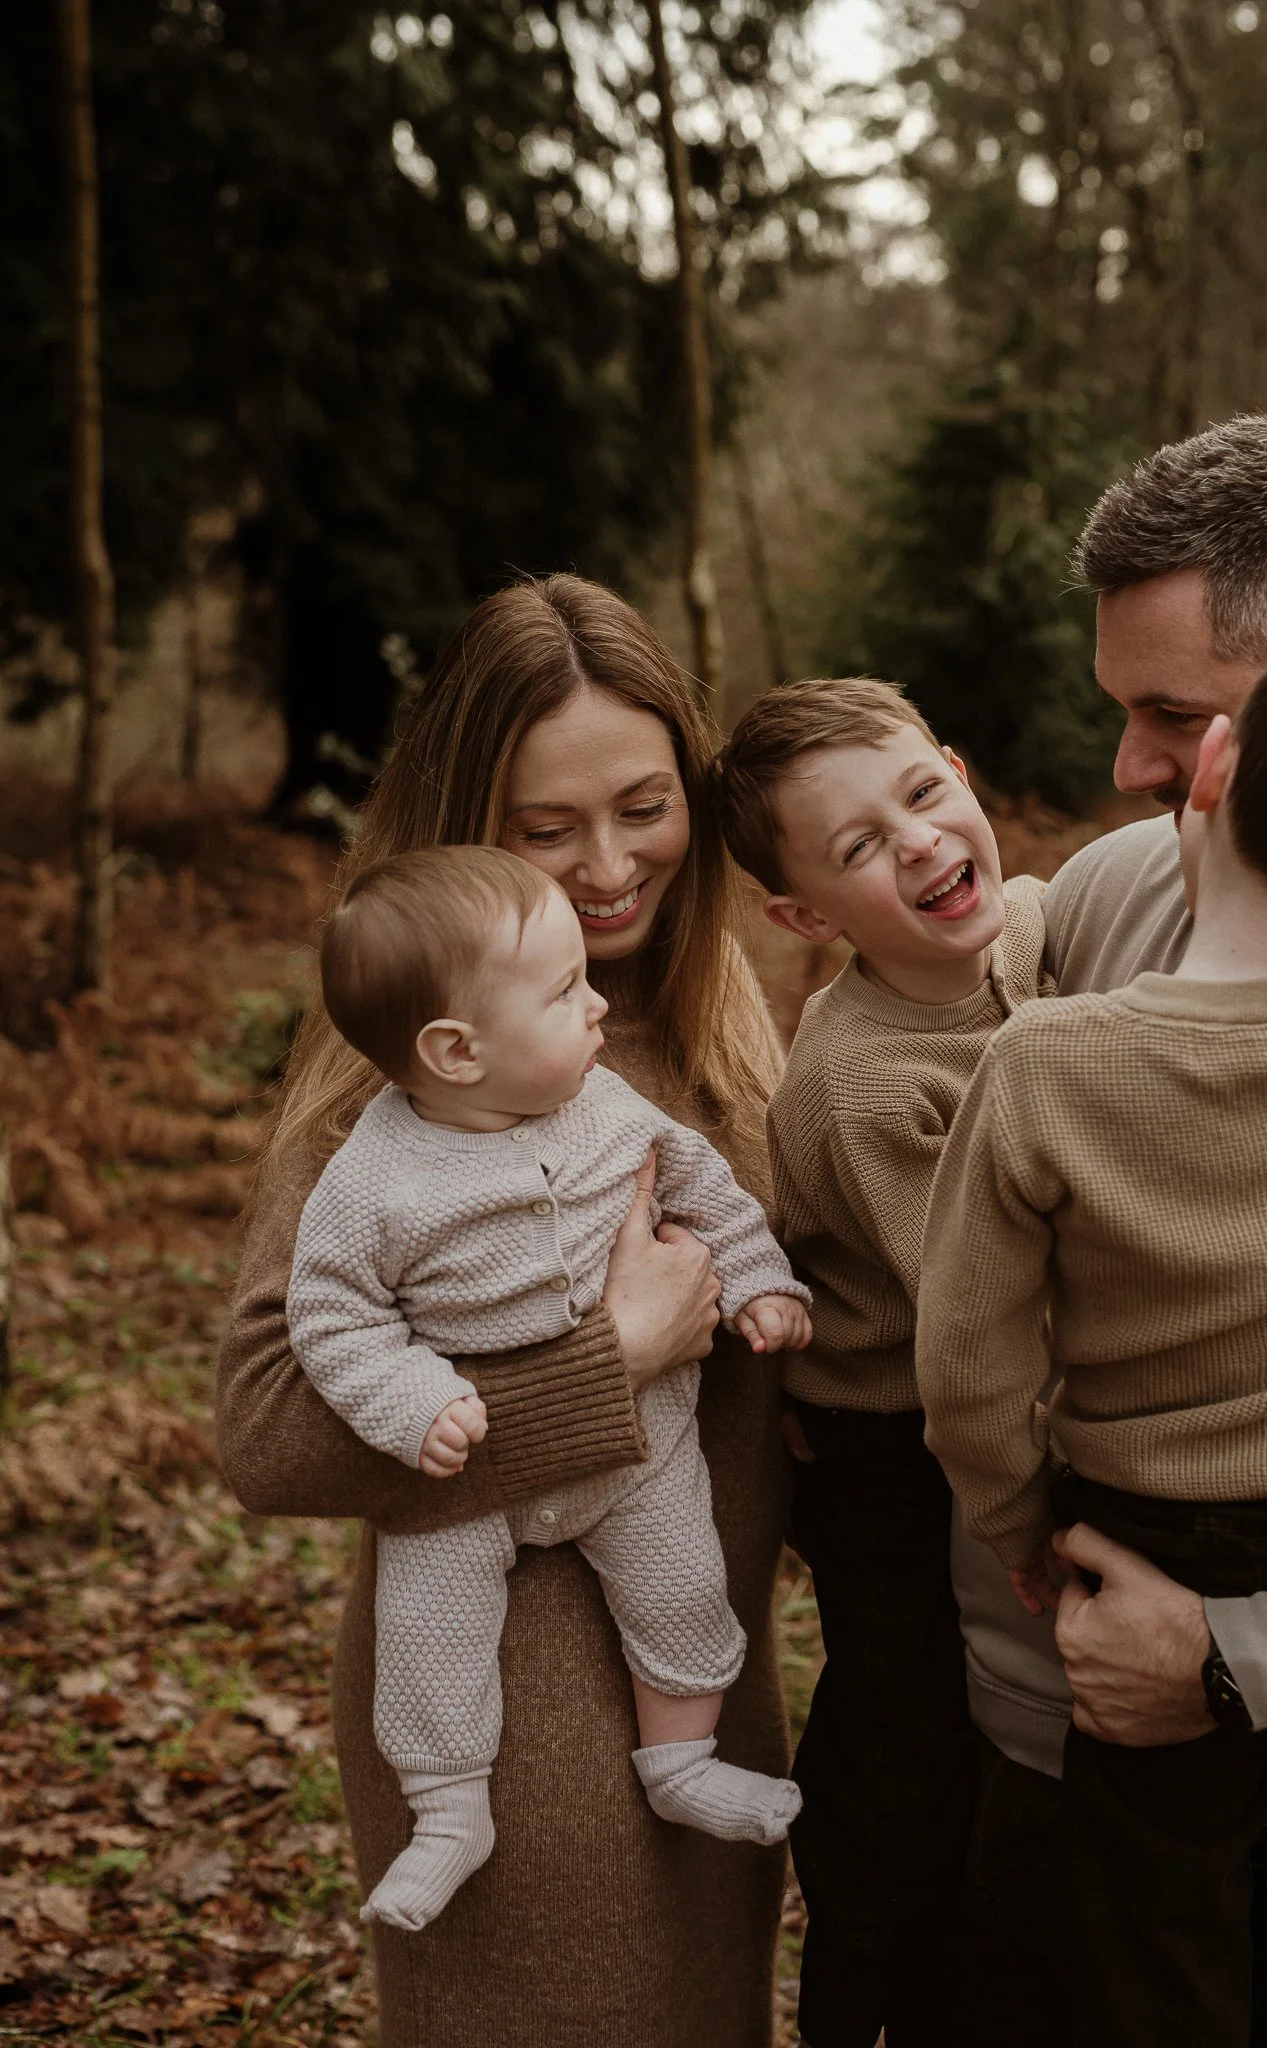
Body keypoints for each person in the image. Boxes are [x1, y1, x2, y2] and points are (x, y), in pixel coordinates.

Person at [216, 575, 794, 2048]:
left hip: (702, 1667)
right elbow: (270, 1436)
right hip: (508, 1717)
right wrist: (609, 1362)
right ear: (470, 819)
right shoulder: (406, 1080)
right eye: (547, 830)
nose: (607, 867)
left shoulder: (722, 1005)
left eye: (643, 805)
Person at [952, 413, 1267, 2046]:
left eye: (1169, 716)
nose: (1127, 763)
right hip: (1039, 1773)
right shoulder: (1117, 891)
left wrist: (1238, 1648)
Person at [287, 846, 810, 1930]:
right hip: (470, 1476)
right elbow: (331, 1314)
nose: (598, 1005)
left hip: (637, 1451)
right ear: (454, 1050)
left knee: (681, 1584)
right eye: (565, 990)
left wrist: (756, 1280)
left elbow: (705, 1190)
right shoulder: (371, 1176)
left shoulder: (608, 1107)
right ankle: (446, 1809)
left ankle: (682, 1757)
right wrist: (408, 1400)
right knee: (429, 1628)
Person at [715, 677, 1050, 2048]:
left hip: (990, 1400)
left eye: (918, 795)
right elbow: (977, 1317)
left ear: (961, 776)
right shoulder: (859, 1083)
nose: (913, 842)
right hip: (885, 1442)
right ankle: (859, 1980)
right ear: (802, 916)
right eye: (855, 847)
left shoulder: (1039, 933)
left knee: (1004, 1754)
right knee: (910, 1732)